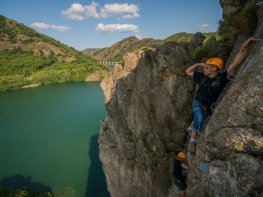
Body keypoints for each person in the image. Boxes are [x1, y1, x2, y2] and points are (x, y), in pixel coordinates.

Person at [185, 37, 254, 154]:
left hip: (209, 104)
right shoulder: (201, 76)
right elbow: (188, 71)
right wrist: (198, 64)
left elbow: (235, 64)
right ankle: (192, 141)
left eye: (207, 67)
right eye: (205, 67)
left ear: (214, 68)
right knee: (200, 119)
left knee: (201, 119)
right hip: (197, 102)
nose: (204, 69)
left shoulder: (221, 78)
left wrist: (244, 47)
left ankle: (193, 126)